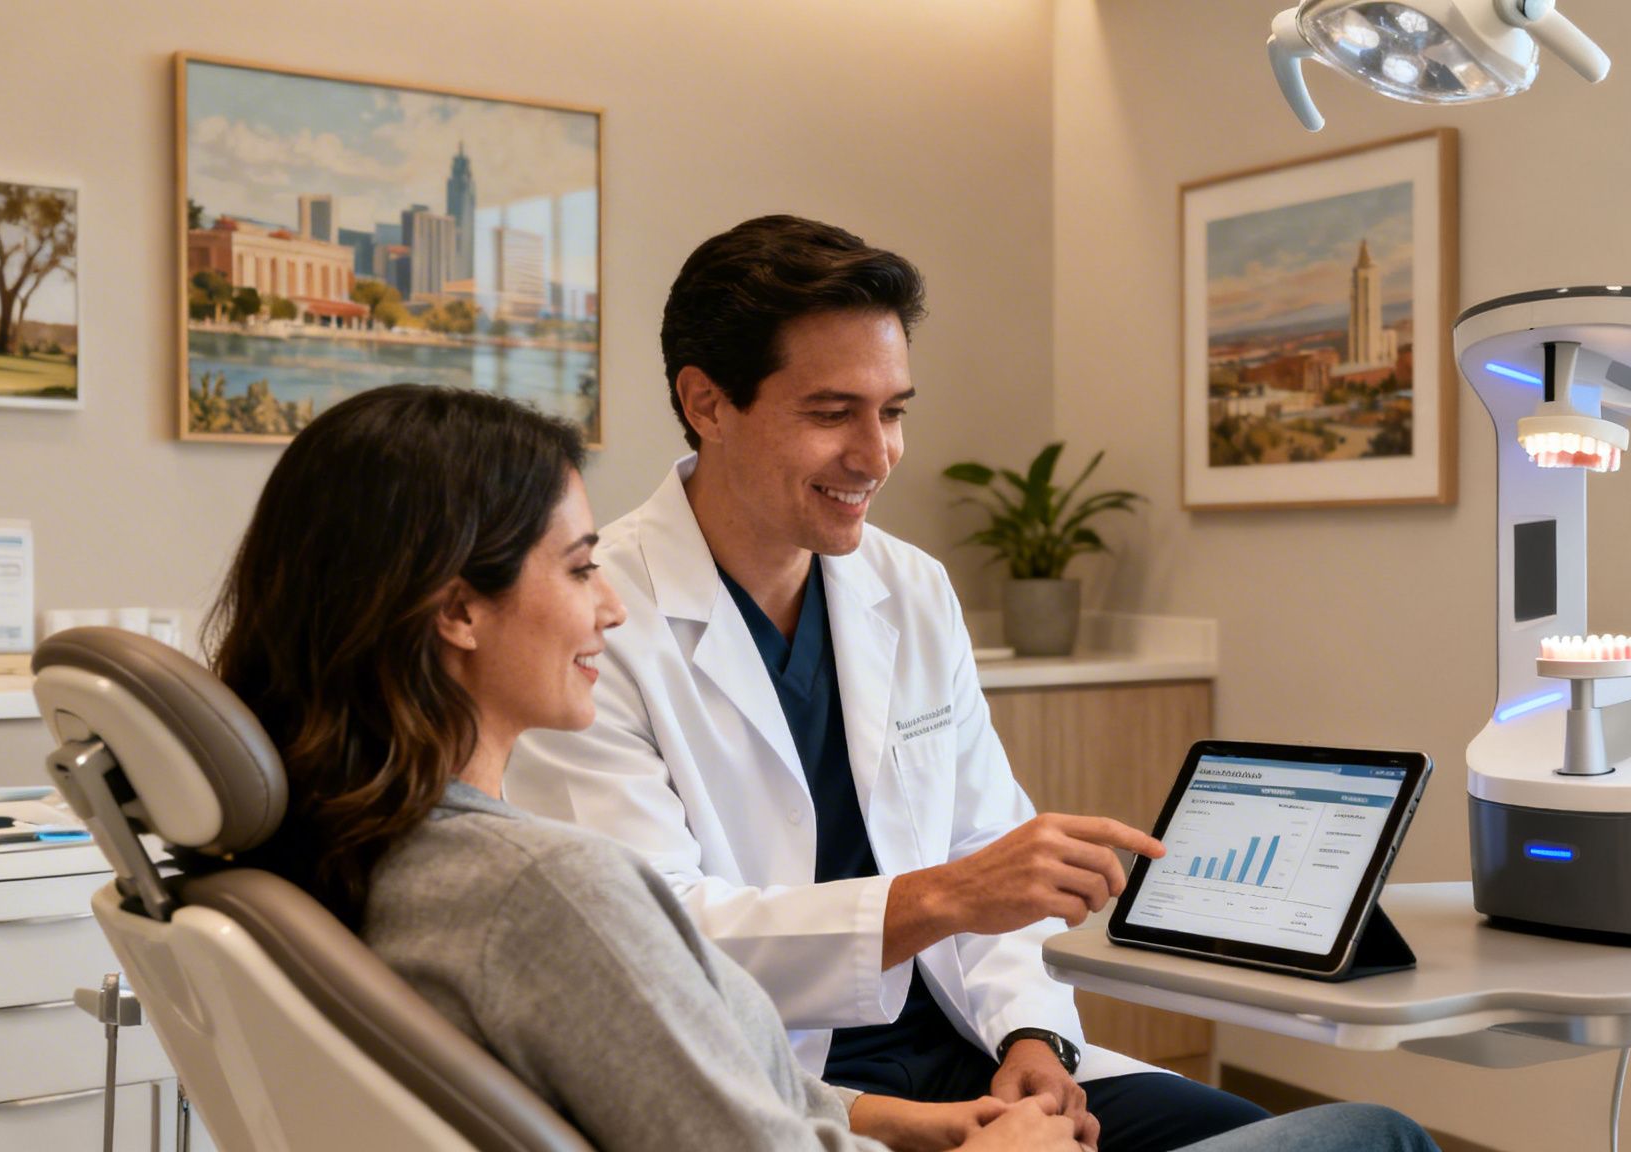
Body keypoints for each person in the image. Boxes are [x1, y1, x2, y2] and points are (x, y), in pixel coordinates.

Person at [507, 217, 1435, 1152]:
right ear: (707, 403)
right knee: (1375, 1140)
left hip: (974, 1052)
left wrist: (1033, 1036)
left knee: (1314, 1135)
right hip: (795, 1088)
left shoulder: (907, 588)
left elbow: (988, 846)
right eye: (832, 414)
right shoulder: (596, 617)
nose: (877, 456)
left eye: (895, 410)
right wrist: (943, 897)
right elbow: (652, 946)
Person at [207, 383, 1084, 1152]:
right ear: (459, 612)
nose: (614, 605)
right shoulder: (547, 891)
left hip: (889, 1080)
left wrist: (881, 1118)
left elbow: (662, 1090)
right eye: (581, 568)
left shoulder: (356, 859)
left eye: (893, 410)